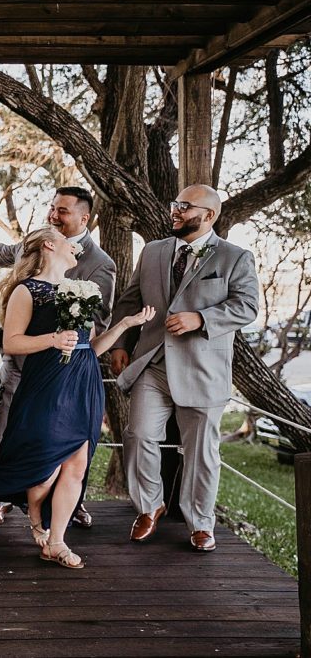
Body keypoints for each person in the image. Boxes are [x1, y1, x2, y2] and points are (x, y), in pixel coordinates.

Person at [0, 228, 153, 569]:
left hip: (84, 385)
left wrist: (125, 324)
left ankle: (56, 541)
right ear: (50, 245)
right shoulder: (27, 290)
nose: (75, 246)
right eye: (68, 241)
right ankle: (37, 523)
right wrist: (52, 339)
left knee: (77, 466)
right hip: (48, 384)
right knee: (46, 467)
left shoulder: (80, 291)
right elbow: (11, 343)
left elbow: (90, 347)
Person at [110, 184, 258, 553]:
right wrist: (120, 345)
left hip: (202, 368)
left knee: (201, 452)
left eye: (185, 206)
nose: (175, 210)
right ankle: (150, 506)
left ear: (208, 215)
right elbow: (130, 300)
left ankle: (200, 522)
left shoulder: (235, 258)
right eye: (175, 203)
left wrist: (201, 318)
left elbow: (248, 307)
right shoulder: (153, 252)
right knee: (139, 434)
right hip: (152, 363)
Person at [0, 186, 115, 529]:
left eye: (62, 210)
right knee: (8, 431)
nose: (53, 215)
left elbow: (98, 320)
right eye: (52, 208)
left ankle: (68, 505)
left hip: (63, 373)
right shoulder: (38, 243)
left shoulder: (100, 264)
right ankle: (0, 500)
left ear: (84, 218)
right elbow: (2, 251)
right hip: (21, 360)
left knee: (67, 441)